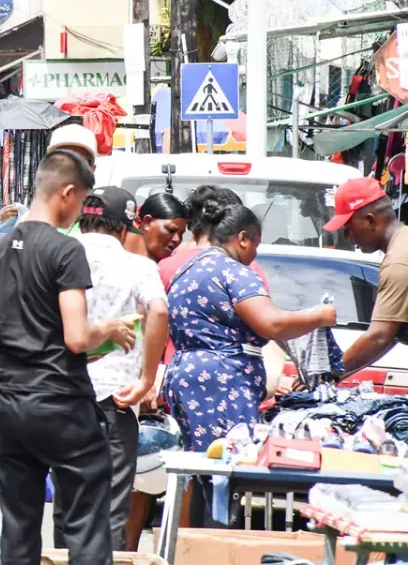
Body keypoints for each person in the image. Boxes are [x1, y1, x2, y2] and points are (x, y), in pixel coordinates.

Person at [0, 150, 135, 564]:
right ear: (66, 193)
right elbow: (78, 337)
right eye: (81, 202)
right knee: (85, 523)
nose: (80, 213)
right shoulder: (65, 252)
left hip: (10, 406)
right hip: (62, 404)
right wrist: (110, 329)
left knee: (19, 526)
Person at [51, 186, 169, 553]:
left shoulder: (58, 258)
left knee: (69, 499)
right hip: (117, 396)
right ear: (125, 227)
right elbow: (159, 311)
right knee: (114, 501)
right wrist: (147, 379)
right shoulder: (137, 266)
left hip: (64, 392)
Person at [164, 203, 336, 452]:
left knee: (200, 465)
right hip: (222, 382)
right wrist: (319, 315)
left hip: (184, 375)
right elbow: (271, 323)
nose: (255, 253)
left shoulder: (186, 270)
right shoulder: (235, 273)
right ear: (243, 238)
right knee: (227, 464)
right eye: (256, 244)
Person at [326, 178, 408, 374]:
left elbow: (379, 337)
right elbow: (391, 335)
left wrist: (327, 376)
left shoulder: (399, 260)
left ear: (370, 220)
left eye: (348, 227)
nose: (347, 236)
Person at [123, 193, 188, 262]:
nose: (177, 240)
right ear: (147, 222)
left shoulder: (175, 269)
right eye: (171, 230)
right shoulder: (116, 260)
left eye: (181, 234)